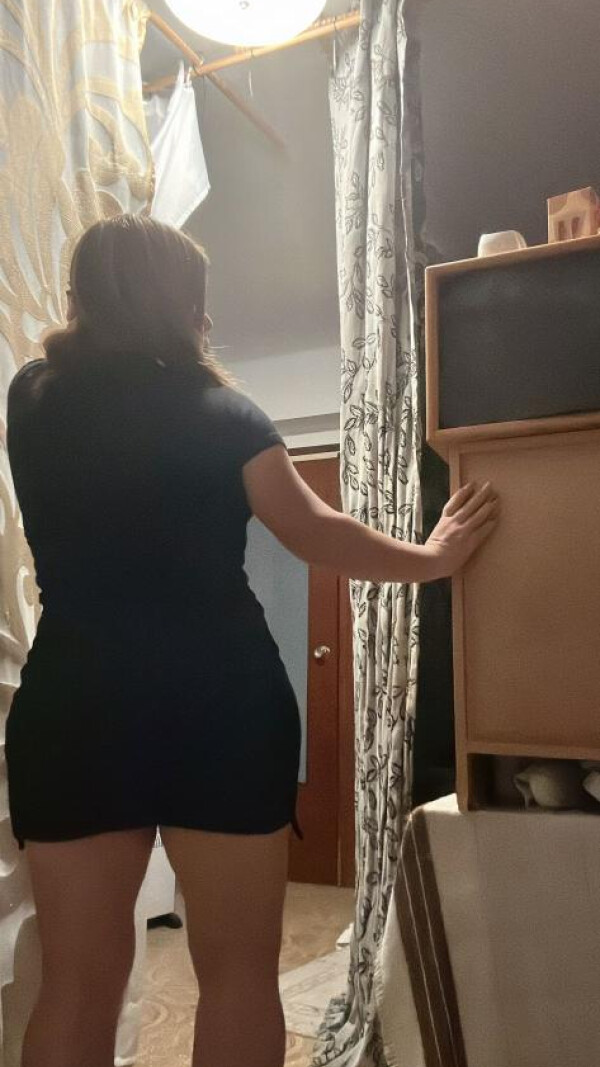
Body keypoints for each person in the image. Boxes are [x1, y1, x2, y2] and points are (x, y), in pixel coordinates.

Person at [5, 215, 498, 1067]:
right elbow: (315, 531)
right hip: (221, 704)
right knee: (237, 976)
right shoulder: (227, 414)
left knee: (76, 983)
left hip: (76, 704)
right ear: (184, 307)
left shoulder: (33, 396)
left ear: (82, 296)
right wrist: (433, 557)